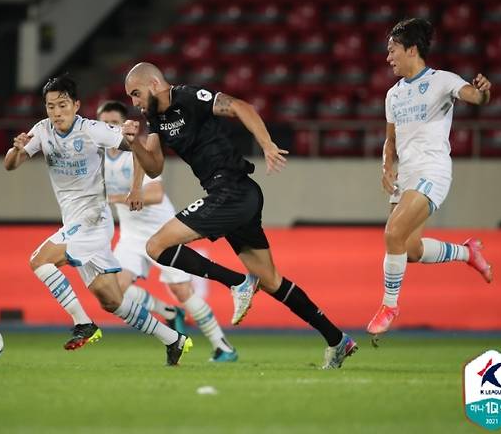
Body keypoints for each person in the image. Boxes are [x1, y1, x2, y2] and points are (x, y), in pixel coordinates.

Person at [122, 62, 357, 369]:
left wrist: (267, 144)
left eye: (136, 93)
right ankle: (337, 340)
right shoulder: (154, 118)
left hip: (232, 189)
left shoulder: (189, 97)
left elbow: (240, 106)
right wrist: (133, 144)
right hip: (232, 197)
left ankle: (236, 283)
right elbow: (154, 165)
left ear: (154, 83)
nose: (134, 102)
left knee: (156, 246)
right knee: (272, 281)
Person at [3, 74, 192, 365]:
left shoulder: (93, 130)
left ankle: (83, 323)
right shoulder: (41, 131)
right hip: (74, 222)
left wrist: (136, 184)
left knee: (39, 260)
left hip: (93, 218)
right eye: (50, 106)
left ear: (76, 105)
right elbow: (10, 165)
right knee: (112, 301)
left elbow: (139, 150)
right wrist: (16, 149)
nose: (56, 112)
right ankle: (174, 340)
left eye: (62, 105)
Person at [367, 18, 493, 343]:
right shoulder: (393, 95)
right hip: (406, 175)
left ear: (412, 49)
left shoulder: (442, 81)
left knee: (392, 233)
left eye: (392, 50)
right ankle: (469, 253)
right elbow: (390, 141)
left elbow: (473, 97)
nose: (388, 57)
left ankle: (389, 306)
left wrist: (482, 94)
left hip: (432, 171)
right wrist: (386, 166)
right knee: (409, 249)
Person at [98, 100, 239, 362]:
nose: (108, 128)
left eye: (114, 123)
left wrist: (113, 197)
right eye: (104, 124)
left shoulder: (138, 150)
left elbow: (155, 193)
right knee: (114, 289)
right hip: (130, 235)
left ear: (124, 126)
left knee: (183, 292)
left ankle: (224, 347)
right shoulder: (100, 157)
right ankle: (168, 312)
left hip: (160, 231)